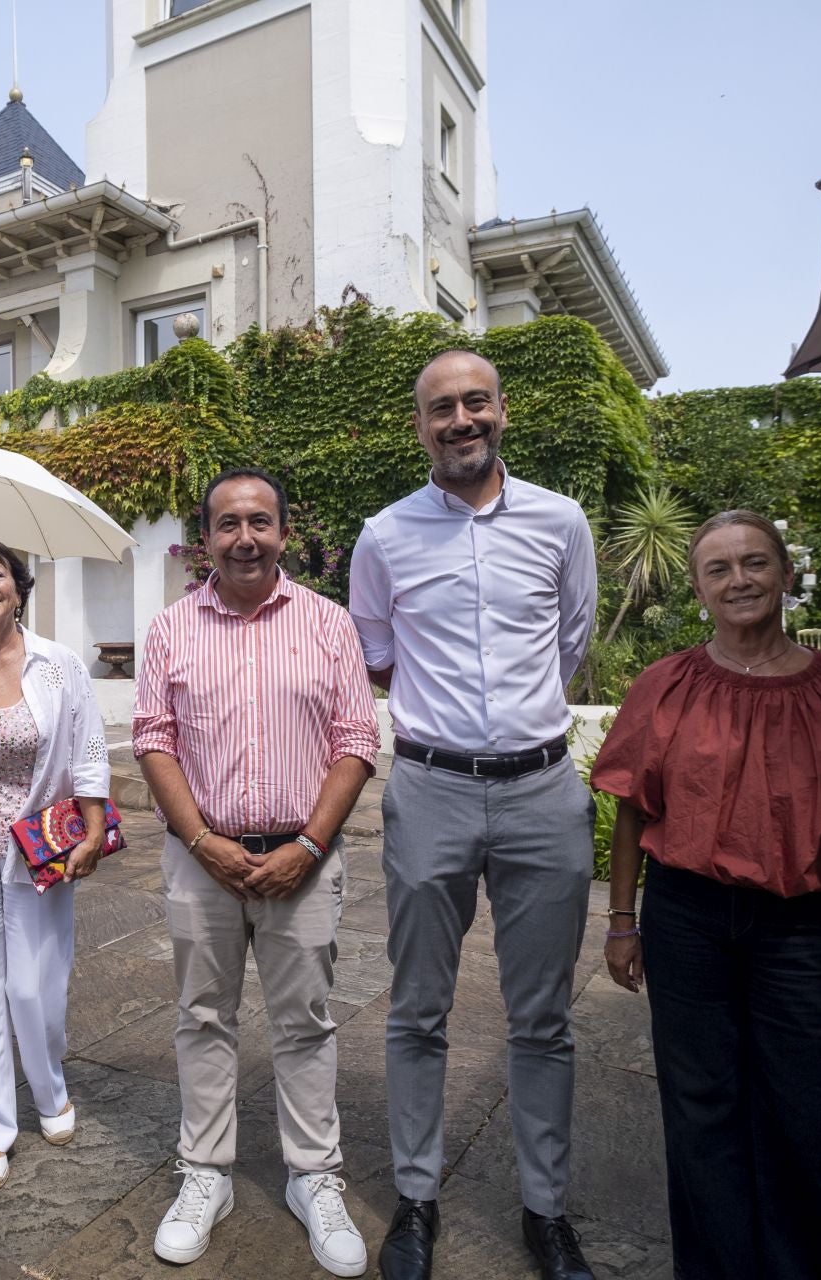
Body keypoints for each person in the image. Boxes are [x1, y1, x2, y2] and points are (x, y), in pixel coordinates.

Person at [590, 510, 821, 1280]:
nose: (739, 580)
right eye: (718, 568)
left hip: (800, 931)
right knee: (702, 1115)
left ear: (787, 575)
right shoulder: (667, 686)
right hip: (686, 919)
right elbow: (632, 806)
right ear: (698, 588)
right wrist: (622, 922)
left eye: (755, 562)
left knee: (817, 1115)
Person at [348, 349, 599, 1280]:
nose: (461, 419)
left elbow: (572, 641)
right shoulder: (385, 537)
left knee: (543, 1019)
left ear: (501, 411)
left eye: (475, 402)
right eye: (441, 408)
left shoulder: (560, 521)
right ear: (420, 427)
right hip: (431, 790)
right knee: (417, 1010)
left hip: (542, 792)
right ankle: (416, 1199)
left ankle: (547, 1210)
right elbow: (377, 653)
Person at [134, 468, 381, 1278]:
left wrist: (307, 846)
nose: (245, 538)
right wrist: (201, 839)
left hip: (301, 860)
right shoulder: (170, 628)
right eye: (228, 524)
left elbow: (355, 740)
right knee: (203, 1014)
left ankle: (315, 1176)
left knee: (304, 1019)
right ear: (204, 538)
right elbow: (154, 740)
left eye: (260, 522)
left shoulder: (328, 623)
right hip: (201, 857)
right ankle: (206, 1172)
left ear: (283, 531)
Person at [0, 536, 110, 1192]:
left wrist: (93, 826)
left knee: (36, 988)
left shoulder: (56, 664)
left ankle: (49, 1088)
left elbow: (89, 746)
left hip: (38, 850)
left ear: (18, 588)